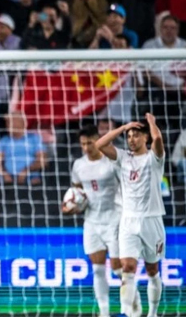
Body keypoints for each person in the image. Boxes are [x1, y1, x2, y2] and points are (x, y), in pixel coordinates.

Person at [95, 114, 166, 317]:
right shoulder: (123, 157)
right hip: (128, 221)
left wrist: (151, 123)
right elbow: (100, 144)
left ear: (145, 137)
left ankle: (152, 313)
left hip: (152, 220)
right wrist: (122, 127)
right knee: (127, 268)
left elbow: (158, 140)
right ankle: (128, 313)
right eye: (129, 136)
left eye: (136, 135)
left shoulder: (154, 158)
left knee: (152, 270)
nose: (131, 139)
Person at [67, 125, 123, 317]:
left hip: (115, 219)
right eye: (83, 144)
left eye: (89, 143)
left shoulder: (111, 161)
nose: (86, 148)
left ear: (97, 140)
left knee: (118, 268)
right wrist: (72, 206)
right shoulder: (78, 165)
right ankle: (104, 312)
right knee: (98, 269)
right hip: (91, 221)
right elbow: (77, 191)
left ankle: (132, 305)